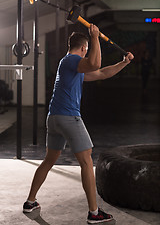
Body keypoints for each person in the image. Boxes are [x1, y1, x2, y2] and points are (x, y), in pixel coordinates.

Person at [23, 24, 134, 224]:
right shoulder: (74, 60)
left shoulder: (70, 64)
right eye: (87, 49)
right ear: (83, 48)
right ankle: (94, 212)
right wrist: (95, 37)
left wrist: (123, 63)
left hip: (54, 118)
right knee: (86, 161)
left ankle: (30, 202)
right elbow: (95, 64)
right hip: (68, 118)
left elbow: (100, 73)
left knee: (49, 160)